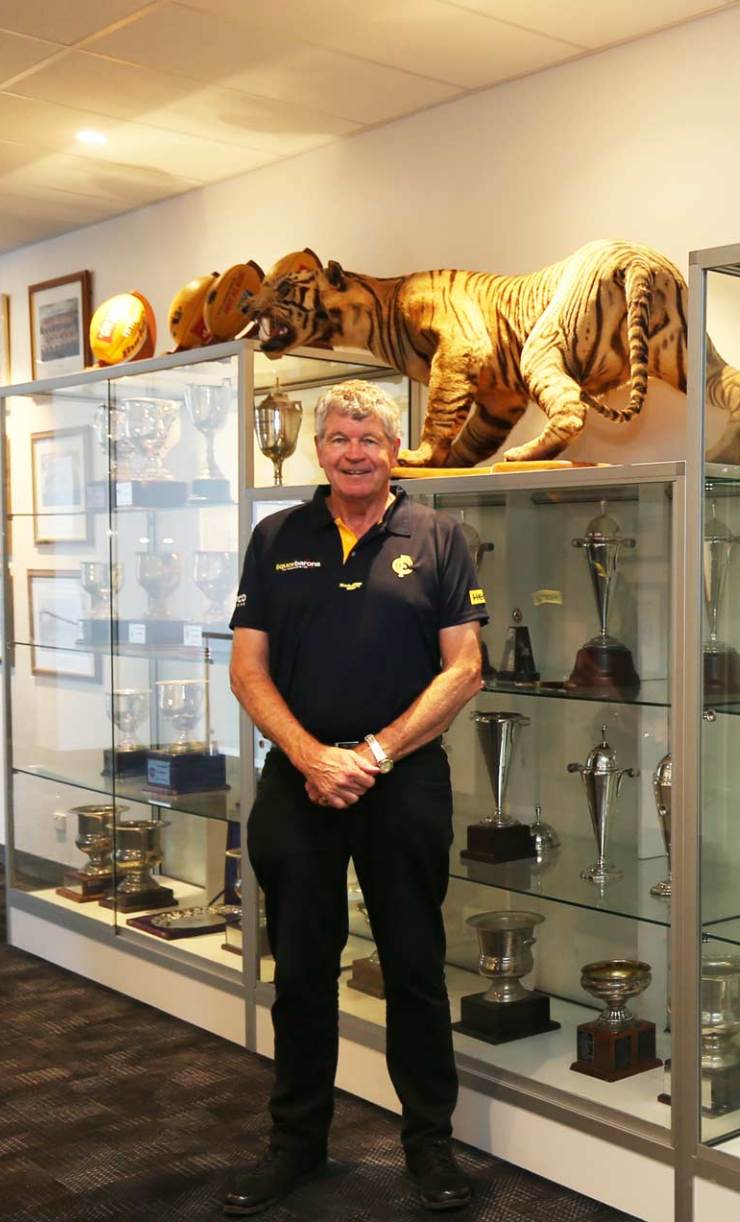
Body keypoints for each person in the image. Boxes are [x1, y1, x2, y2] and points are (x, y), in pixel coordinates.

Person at [223, 380, 487, 1215]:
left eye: (369, 437)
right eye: (338, 437)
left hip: (402, 780)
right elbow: (247, 668)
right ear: (319, 449)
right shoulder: (276, 537)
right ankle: (295, 1146)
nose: (354, 451)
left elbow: (464, 668)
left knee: (413, 968)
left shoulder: (440, 537)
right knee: (300, 969)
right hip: (299, 783)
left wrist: (371, 754)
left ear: (395, 448)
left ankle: (430, 1149)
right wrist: (310, 755)